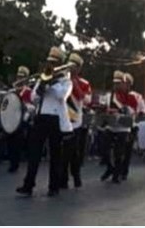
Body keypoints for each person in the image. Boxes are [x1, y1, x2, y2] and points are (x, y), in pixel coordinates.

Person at [16, 47, 73, 197]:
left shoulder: (66, 81)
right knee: (34, 153)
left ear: (60, 64)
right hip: (41, 117)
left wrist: (51, 83)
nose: (51, 66)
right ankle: (28, 185)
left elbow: (62, 96)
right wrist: (41, 86)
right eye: (49, 63)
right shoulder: (43, 78)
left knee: (55, 155)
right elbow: (34, 97)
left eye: (54, 63)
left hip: (56, 119)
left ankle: (54, 186)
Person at [61, 53, 91, 189]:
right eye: (69, 65)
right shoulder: (61, 80)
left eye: (74, 66)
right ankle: (63, 179)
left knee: (74, 151)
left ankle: (76, 175)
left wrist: (74, 83)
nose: (71, 68)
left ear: (79, 69)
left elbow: (86, 100)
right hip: (61, 119)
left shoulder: (84, 83)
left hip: (75, 121)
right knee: (63, 152)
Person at [100, 71, 135, 184]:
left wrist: (119, 110)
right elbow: (102, 108)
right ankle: (110, 168)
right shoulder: (109, 95)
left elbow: (132, 111)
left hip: (123, 127)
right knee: (104, 149)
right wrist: (105, 111)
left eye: (119, 83)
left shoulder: (130, 96)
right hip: (111, 126)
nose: (116, 85)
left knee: (119, 153)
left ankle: (116, 174)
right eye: (115, 83)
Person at [6, 66, 34, 173]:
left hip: (23, 119)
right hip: (11, 118)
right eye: (19, 76)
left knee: (18, 142)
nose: (19, 79)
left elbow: (32, 106)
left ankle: (16, 163)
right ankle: (12, 161)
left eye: (22, 77)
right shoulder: (11, 90)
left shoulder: (28, 91)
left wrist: (24, 106)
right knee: (10, 141)